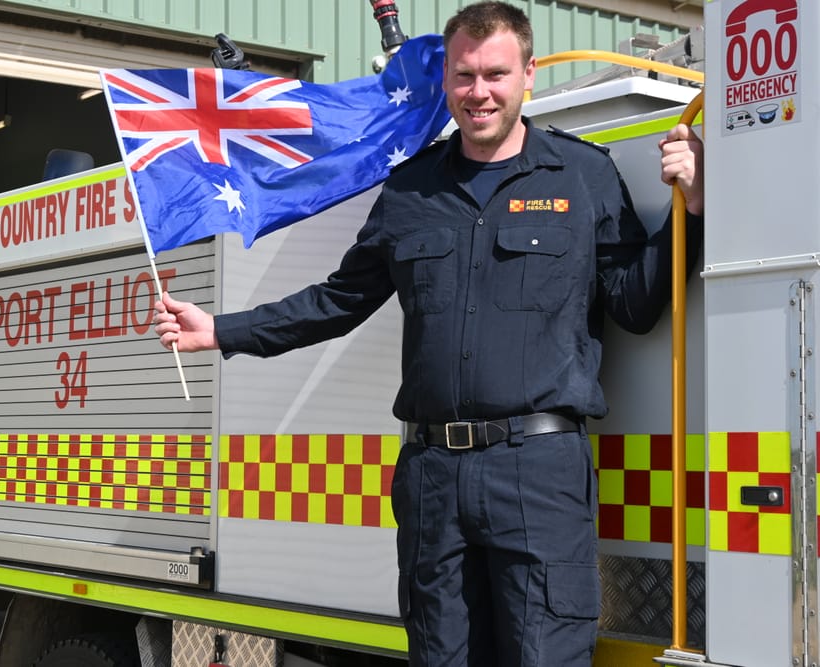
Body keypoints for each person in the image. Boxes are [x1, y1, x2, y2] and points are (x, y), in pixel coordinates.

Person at [153, 2, 704, 665]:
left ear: (528, 74)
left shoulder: (582, 176)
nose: (479, 92)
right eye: (464, 75)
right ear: (446, 80)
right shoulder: (411, 190)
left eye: (495, 74)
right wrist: (221, 329)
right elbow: (339, 300)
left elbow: (636, 303)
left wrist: (693, 209)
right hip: (433, 477)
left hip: (539, 472)